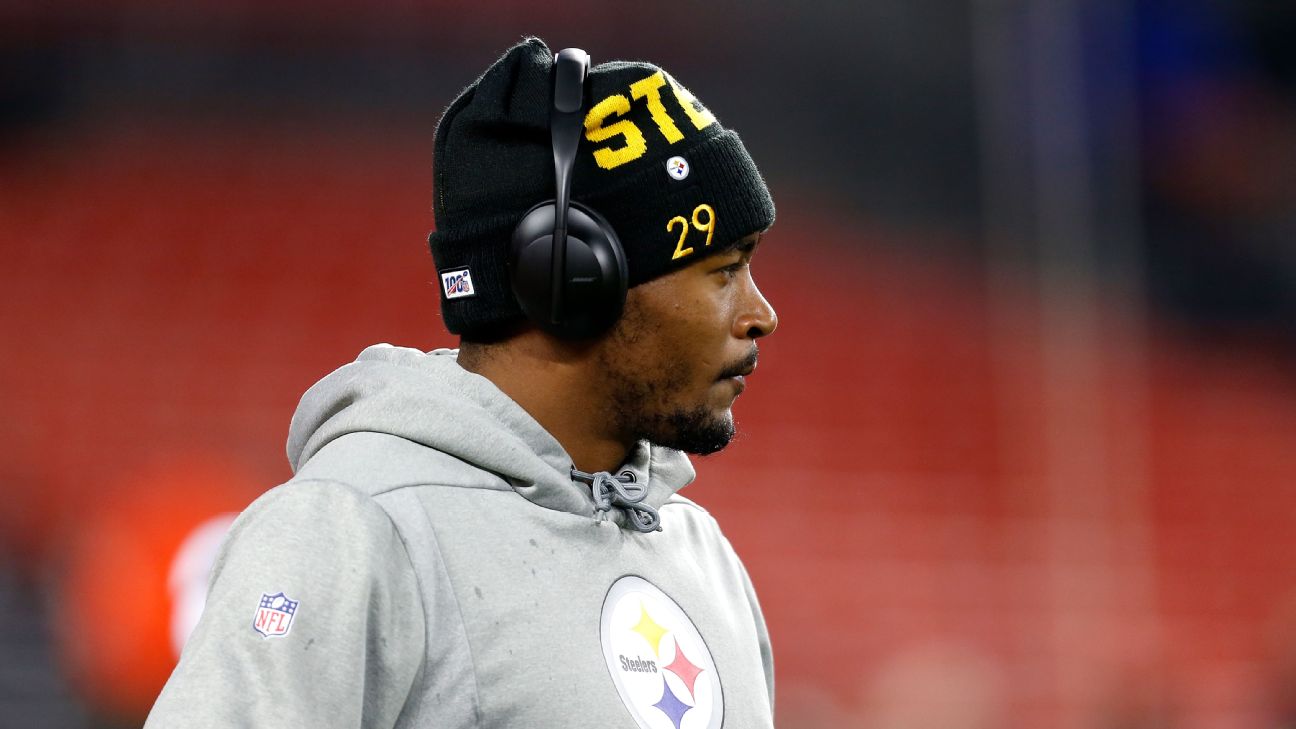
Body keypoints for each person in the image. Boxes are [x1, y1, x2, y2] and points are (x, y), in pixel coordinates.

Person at [145, 37, 779, 729]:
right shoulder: (353, 529)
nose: (761, 314)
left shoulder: (702, 555)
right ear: (572, 278)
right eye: (724, 269)